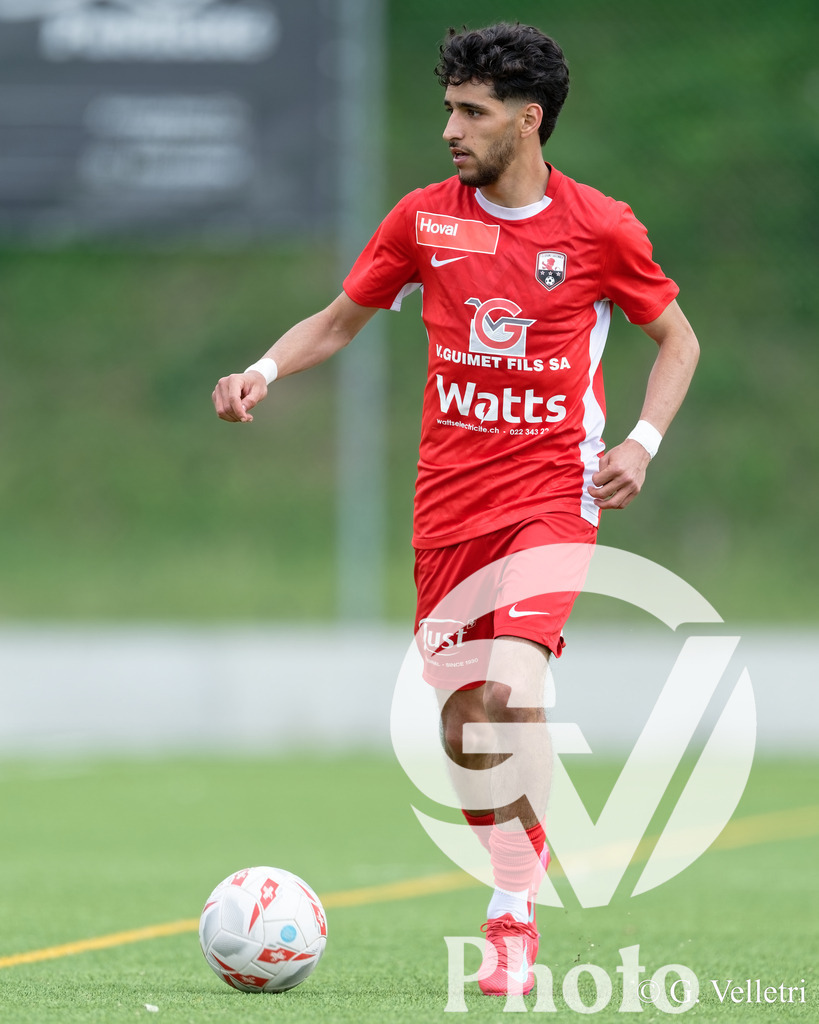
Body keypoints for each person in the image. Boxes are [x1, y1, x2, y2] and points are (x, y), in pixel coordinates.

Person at [212, 22, 699, 998]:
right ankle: (512, 875)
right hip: (448, 510)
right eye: (448, 109)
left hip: (553, 500)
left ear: (529, 120)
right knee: (464, 725)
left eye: (471, 113)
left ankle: (512, 914)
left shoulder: (601, 228)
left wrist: (640, 442)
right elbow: (342, 318)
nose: (451, 129)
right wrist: (264, 367)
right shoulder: (424, 222)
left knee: (516, 689)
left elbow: (677, 340)